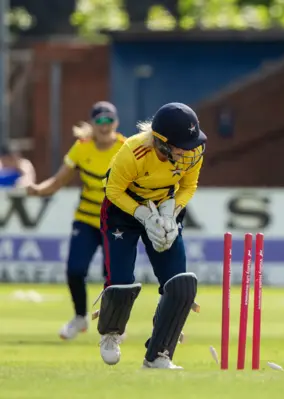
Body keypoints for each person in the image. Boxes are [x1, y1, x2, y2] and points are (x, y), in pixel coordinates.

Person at [96, 102, 206, 369]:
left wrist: (171, 213)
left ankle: (160, 351)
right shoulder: (134, 152)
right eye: (182, 145)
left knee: (180, 283)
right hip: (123, 210)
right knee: (121, 280)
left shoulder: (194, 150)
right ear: (162, 142)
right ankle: (111, 333)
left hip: (164, 208)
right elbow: (113, 191)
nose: (189, 150)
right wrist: (144, 216)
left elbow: (189, 186)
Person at [26, 102, 125, 340]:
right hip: (86, 219)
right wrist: (38, 190)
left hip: (116, 222)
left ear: (116, 122)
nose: (104, 125)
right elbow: (59, 179)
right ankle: (80, 317)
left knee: (113, 276)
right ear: (91, 124)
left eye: (108, 120)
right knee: (74, 270)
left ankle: (114, 324)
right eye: (99, 121)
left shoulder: (125, 147)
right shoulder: (81, 148)